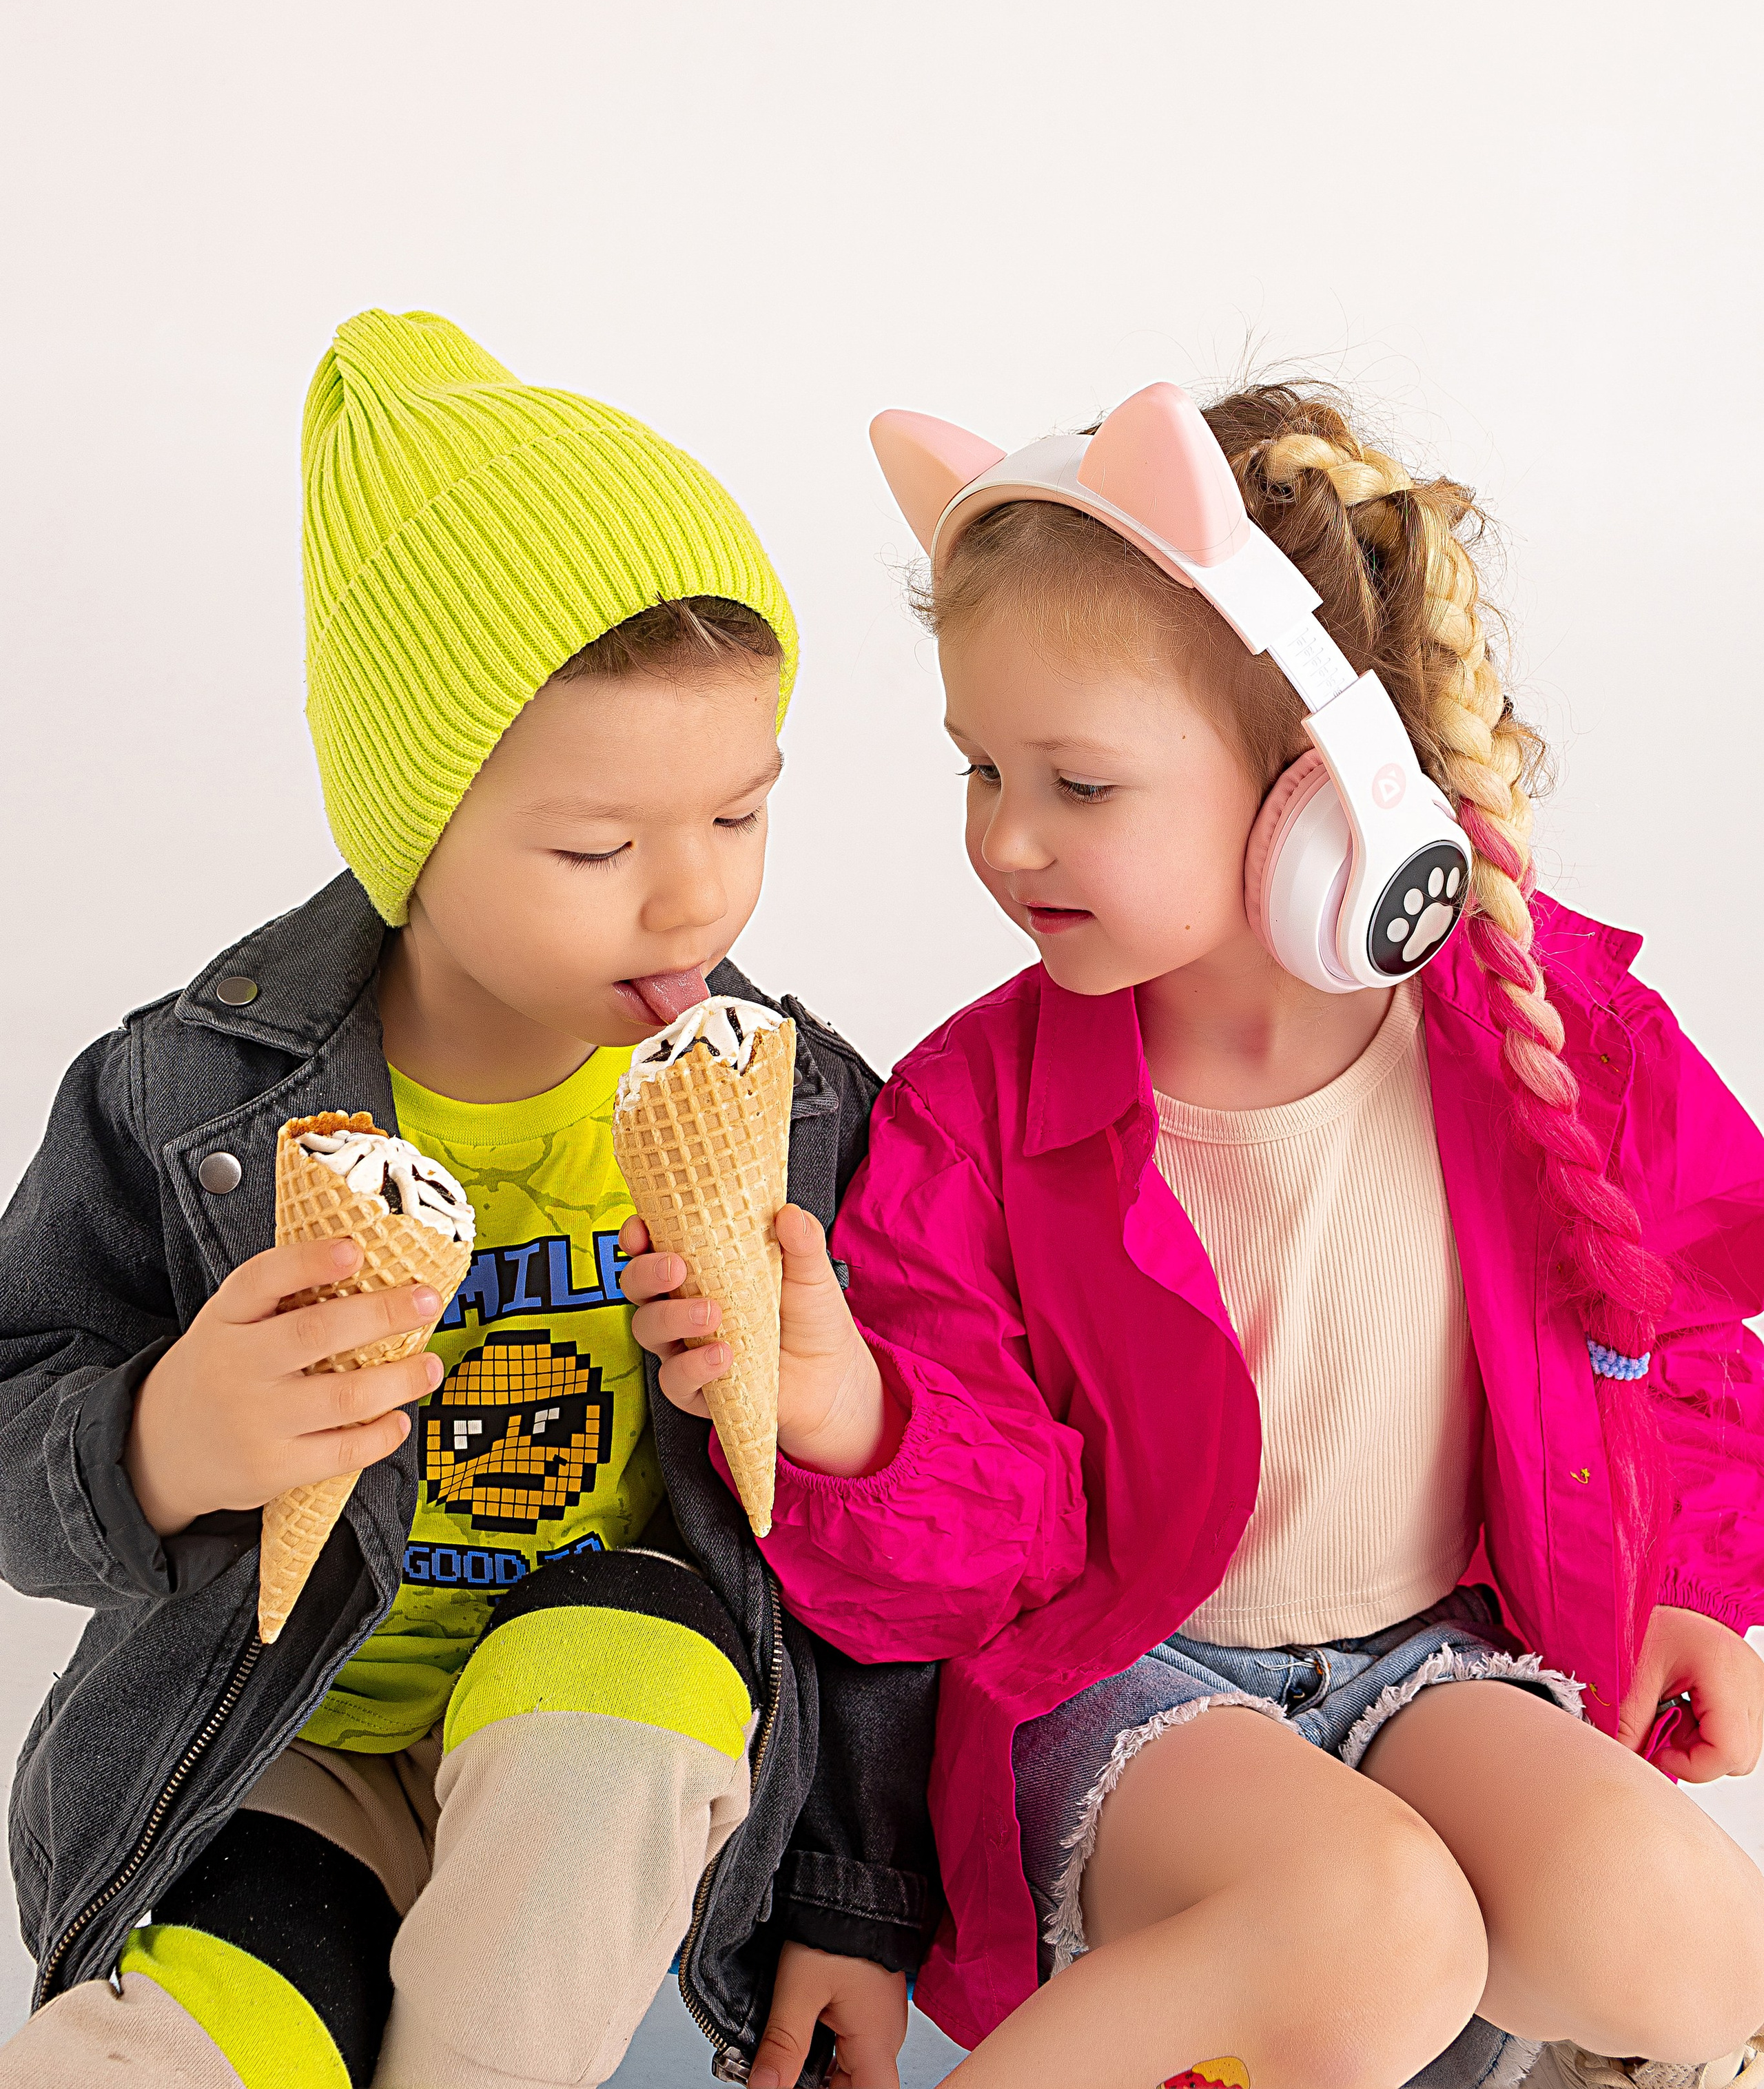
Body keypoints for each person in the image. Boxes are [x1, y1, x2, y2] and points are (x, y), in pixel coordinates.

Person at [627, 378, 1764, 2089]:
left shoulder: (1546, 1024)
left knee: (1685, 1944)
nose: (1005, 838)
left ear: (1323, 795)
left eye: (1078, 782)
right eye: (980, 770)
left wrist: (1685, 1585)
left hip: (1428, 1660)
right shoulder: (971, 1111)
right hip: (1123, 1682)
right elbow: (987, 1551)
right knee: (1376, 1933)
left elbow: (1662, 1318)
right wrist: (849, 1416)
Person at [0, 311, 937, 2089]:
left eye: (739, 819)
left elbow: (879, 1573)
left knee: (621, 1697)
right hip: (280, 1756)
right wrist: (157, 1442)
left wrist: (852, 1897)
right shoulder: (185, 1101)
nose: (690, 909)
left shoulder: (803, 1110)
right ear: (408, 828)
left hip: (606, 1734)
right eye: (597, 850)